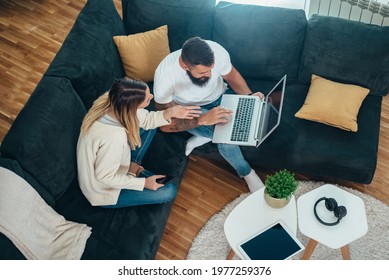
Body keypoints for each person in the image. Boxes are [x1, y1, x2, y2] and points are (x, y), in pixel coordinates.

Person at [153, 37, 264, 193]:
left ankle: (205, 135)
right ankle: (247, 172)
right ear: (185, 66)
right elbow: (164, 125)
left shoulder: (217, 51)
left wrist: (250, 98)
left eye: (211, 69)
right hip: (192, 110)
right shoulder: (165, 77)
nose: (210, 74)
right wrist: (202, 120)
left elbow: (232, 76)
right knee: (227, 138)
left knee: (250, 119)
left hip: (221, 95)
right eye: (203, 72)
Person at [77, 78, 201, 208]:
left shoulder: (111, 99)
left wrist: (170, 112)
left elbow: (147, 119)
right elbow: (105, 177)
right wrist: (143, 183)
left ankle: (133, 166)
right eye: (147, 99)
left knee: (152, 122)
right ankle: (135, 169)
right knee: (168, 191)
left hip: (116, 158)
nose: (152, 97)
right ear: (132, 108)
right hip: (103, 189)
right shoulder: (113, 138)